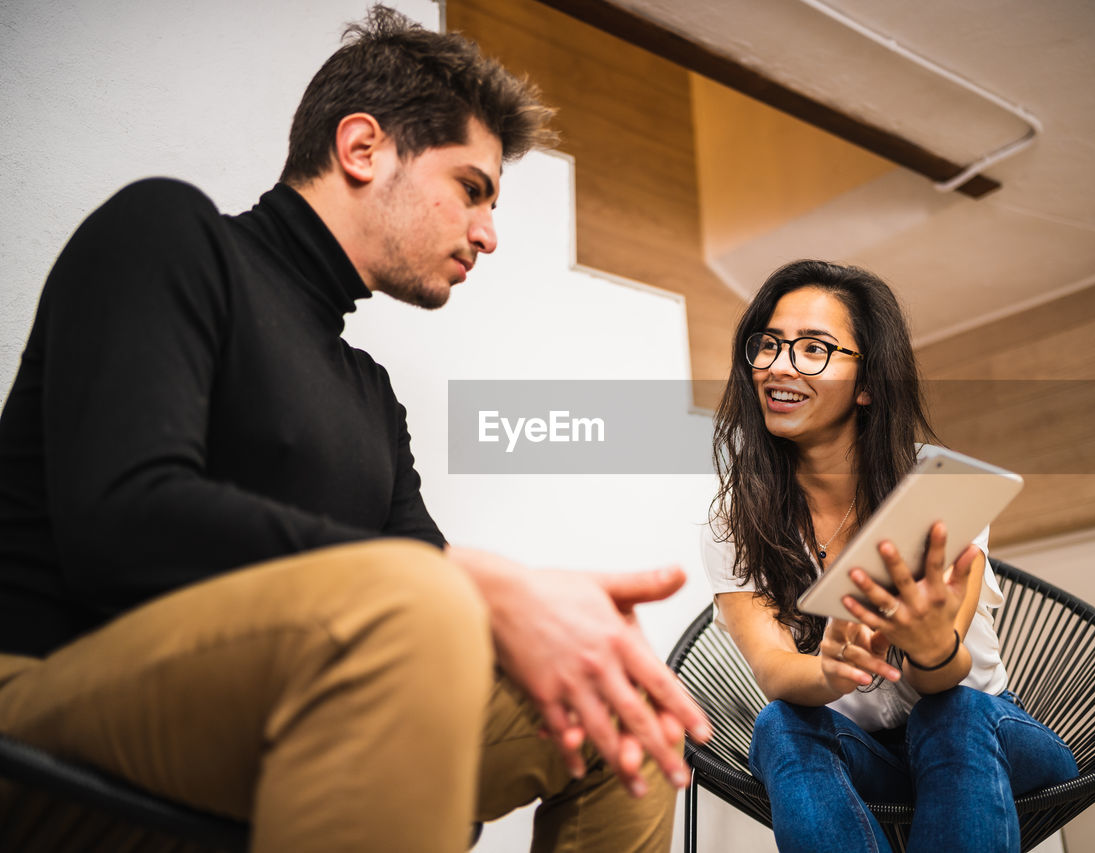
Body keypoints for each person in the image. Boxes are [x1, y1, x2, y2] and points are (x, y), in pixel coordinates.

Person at [0, 6, 710, 851]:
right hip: (45, 701)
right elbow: (122, 525)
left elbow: (432, 585)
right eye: (472, 188)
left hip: (279, 709)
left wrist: (546, 618)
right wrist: (476, 584)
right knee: (419, 600)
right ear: (363, 148)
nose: (487, 231)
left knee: (627, 716)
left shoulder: (370, 394)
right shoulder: (166, 235)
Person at [702, 259, 1077, 852]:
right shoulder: (735, 520)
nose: (779, 366)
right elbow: (774, 670)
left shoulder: (934, 485)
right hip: (868, 759)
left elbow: (947, 678)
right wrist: (829, 671)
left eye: (814, 349)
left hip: (989, 732)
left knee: (949, 714)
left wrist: (931, 648)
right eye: (769, 345)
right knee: (780, 724)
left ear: (868, 382)